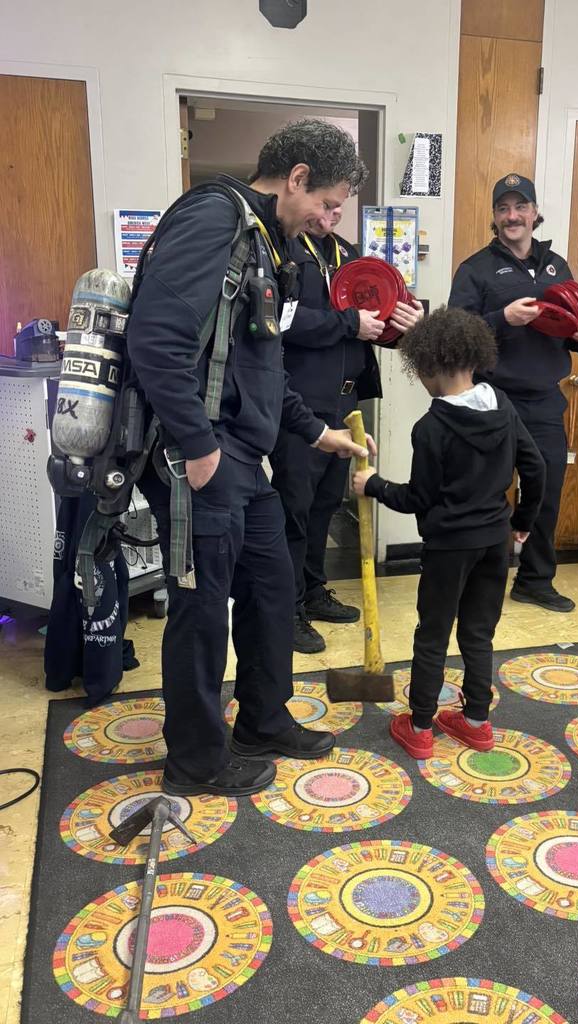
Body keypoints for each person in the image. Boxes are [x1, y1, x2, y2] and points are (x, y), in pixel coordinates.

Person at [128, 119, 374, 798]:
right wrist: (199, 448)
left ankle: (262, 720)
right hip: (201, 454)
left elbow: (263, 371)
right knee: (203, 610)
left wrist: (320, 434)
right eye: (327, 204)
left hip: (242, 459)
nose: (329, 221)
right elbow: (155, 339)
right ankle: (196, 760)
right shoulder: (215, 218)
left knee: (271, 588)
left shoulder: (265, 243)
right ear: (296, 177)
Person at [352, 307, 545, 758]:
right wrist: (522, 523)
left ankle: (419, 726)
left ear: (428, 367)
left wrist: (373, 485)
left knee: (434, 633)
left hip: (448, 547)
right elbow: (535, 468)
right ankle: (477, 720)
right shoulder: (502, 405)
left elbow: (419, 498)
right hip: (496, 540)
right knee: (479, 632)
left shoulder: (432, 427)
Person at [448, 173, 578, 613]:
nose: (512, 216)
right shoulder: (475, 269)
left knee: (545, 493)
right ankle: (480, 580)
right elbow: (455, 335)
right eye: (503, 208)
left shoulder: (557, 265)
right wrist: (502, 318)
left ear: (535, 213)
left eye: (520, 207)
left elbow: (570, 328)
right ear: (495, 217)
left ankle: (535, 580)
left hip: (543, 401)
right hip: (490, 399)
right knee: (485, 493)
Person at [272, 207, 424, 654]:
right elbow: (279, 320)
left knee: (325, 506)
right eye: (326, 202)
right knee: (293, 509)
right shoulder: (282, 249)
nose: (332, 214)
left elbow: (371, 322)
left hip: (345, 402)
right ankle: (289, 607)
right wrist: (346, 323)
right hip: (298, 405)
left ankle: (315, 590)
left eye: (340, 205)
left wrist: (400, 327)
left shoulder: (348, 254)